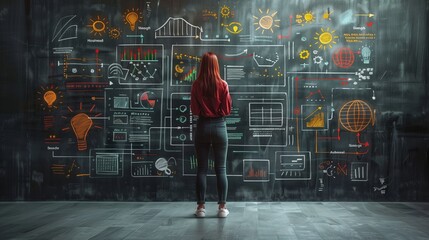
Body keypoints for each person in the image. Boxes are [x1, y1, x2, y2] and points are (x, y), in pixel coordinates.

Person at [191, 52, 232, 218]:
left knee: (201, 169)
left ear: (202, 65)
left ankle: (201, 208)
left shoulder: (196, 85)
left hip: (202, 127)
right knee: (221, 169)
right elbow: (227, 110)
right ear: (216, 65)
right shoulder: (223, 84)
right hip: (219, 127)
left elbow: (194, 110)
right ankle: (222, 208)